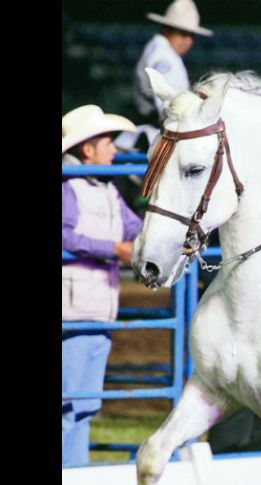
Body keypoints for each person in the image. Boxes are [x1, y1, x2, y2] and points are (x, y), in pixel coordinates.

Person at [62, 105, 143, 466]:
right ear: (87, 150)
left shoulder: (107, 191)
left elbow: (134, 230)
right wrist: (114, 249)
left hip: (98, 309)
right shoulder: (69, 187)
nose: (113, 150)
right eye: (107, 142)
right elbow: (64, 235)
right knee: (70, 402)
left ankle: (76, 471)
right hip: (74, 308)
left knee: (83, 404)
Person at [132, 0, 212, 125]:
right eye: (182, 33)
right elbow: (169, 107)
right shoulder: (164, 58)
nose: (188, 40)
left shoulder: (159, 49)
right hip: (158, 127)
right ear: (167, 30)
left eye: (191, 35)